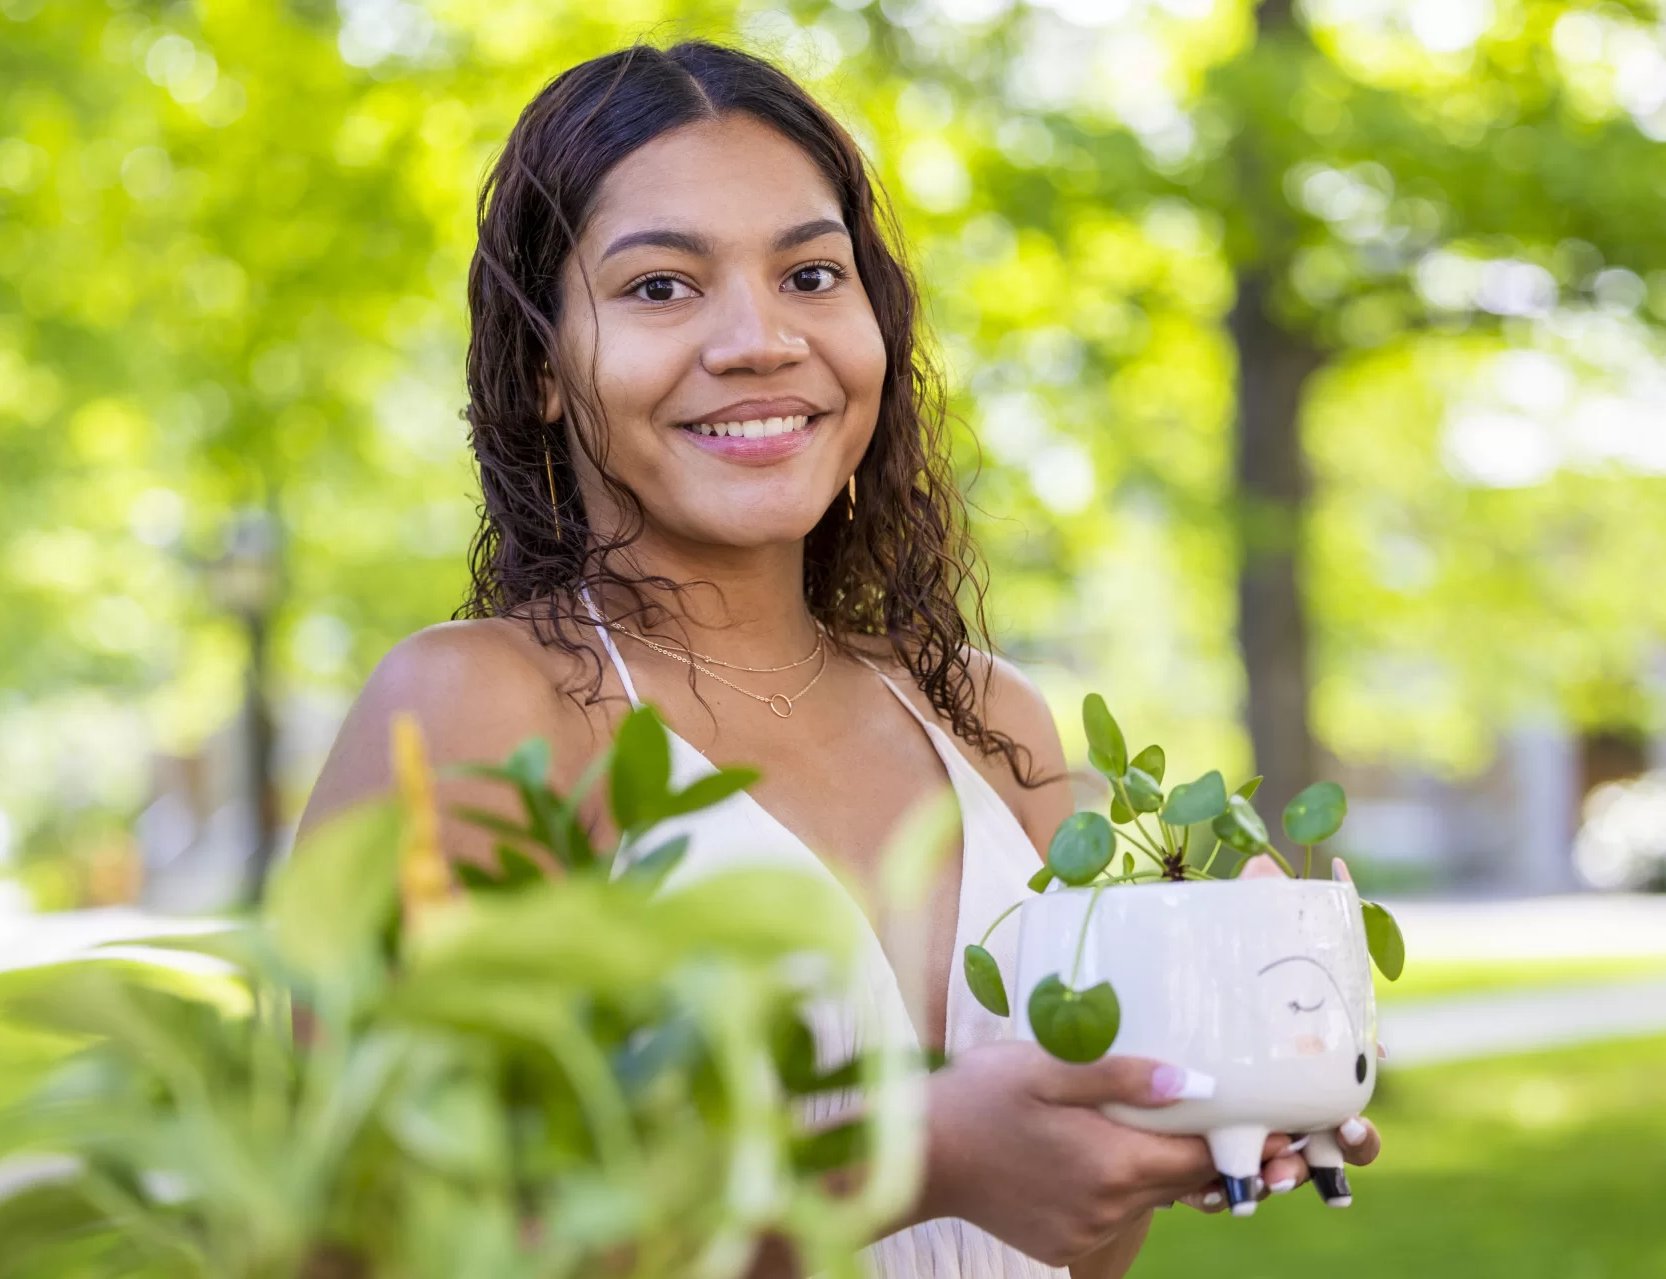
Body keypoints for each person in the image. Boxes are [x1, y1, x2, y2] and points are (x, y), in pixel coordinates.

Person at [297, 39, 1380, 1277]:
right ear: (544, 363)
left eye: (811, 273)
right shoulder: (474, 704)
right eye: (661, 287)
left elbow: (1055, 1247)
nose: (758, 339)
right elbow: (362, 1234)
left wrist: (1192, 1079)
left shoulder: (990, 719)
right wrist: (913, 1155)